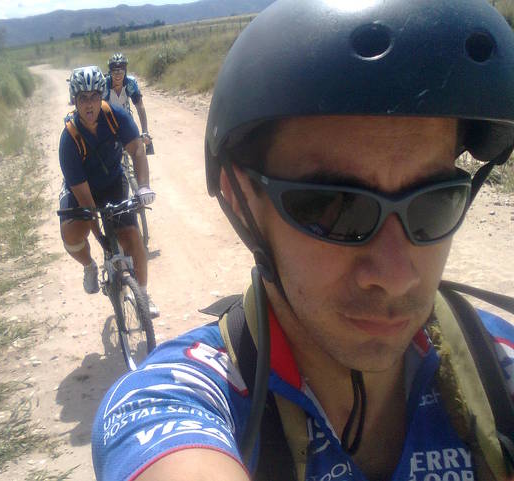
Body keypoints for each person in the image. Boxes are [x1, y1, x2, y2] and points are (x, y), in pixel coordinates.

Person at [91, 1, 514, 480]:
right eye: (334, 207)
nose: (396, 276)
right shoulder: (168, 399)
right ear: (240, 199)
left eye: (435, 202)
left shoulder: (498, 367)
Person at [59, 65, 159, 317]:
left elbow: (137, 149)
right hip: (82, 189)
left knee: (132, 236)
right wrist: (101, 238)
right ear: (74, 101)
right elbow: (86, 202)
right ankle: (89, 266)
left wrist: (143, 186)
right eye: (83, 98)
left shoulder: (115, 116)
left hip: (113, 182)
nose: (89, 104)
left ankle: (143, 296)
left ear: (101, 96)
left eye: (94, 96)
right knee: (71, 234)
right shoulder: (69, 139)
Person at [103, 53, 152, 149]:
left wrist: (145, 132)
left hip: (125, 120)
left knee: (138, 150)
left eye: (121, 71)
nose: (118, 75)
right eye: (114, 72)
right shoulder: (104, 85)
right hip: (108, 121)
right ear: (110, 72)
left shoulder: (130, 83)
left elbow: (140, 106)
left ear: (125, 71)